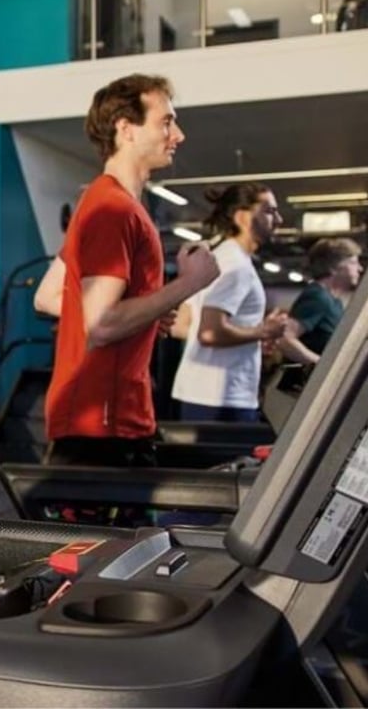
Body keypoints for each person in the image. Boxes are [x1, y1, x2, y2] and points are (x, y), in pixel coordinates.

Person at [33, 74, 219, 467]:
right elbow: (101, 324)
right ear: (126, 129)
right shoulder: (112, 209)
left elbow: (48, 297)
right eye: (166, 122)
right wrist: (189, 283)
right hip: (101, 427)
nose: (178, 135)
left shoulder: (105, 202)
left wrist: (146, 312)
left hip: (105, 422)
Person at [170, 185, 288, 422]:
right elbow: (209, 333)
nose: (279, 219)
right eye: (269, 211)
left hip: (199, 393)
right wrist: (263, 331)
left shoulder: (216, 259)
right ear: (243, 217)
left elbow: (182, 326)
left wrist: (247, 337)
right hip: (224, 399)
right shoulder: (236, 266)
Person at [278, 237, 363, 366]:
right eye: (353, 263)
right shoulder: (318, 296)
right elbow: (284, 339)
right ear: (333, 267)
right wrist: (321, 365)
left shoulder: (335, 301)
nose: (360, 268)